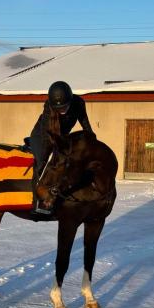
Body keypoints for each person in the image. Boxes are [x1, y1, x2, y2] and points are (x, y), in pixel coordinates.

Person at [29, 81, 94, 214]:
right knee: (43, 161)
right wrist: (53, 150)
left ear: (70, 100)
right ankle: (37, 202)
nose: (62, 110)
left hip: (61, 136)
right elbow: (46, 134)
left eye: (65, 106)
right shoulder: (49, 106)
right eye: (59, 108)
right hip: (42, 135)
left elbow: (85, 124)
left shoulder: (79, 103)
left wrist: (92, 140)